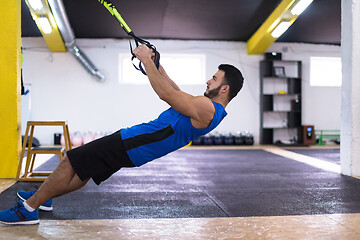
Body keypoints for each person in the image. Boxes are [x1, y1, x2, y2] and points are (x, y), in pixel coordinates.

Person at [0, 44, 244, 225]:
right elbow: (175, 90)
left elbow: (166, 95)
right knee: (85, 171)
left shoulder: (208, 108)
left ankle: (28, 209)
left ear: (225, 88)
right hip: (137, 147)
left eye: (213, 78)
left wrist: (147, 61)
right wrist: (157, 64)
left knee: (71, 160)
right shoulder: (210, 108)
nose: (208, 81)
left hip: (133, 143)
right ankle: (45, 196)